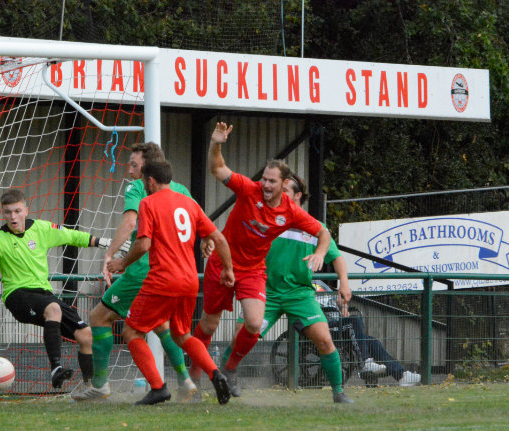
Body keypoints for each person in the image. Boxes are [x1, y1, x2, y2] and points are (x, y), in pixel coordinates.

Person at [189, 123, 332, 398]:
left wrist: (320, 253)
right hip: (222, 263)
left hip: (252, 270)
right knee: (209, 324)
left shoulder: (290, 211)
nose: (265, 184)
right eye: (264, 179)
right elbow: (218, 169)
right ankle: (193, 376)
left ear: (284, 185)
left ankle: (229, 370)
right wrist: (216, 143)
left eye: (272, 181)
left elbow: (323, 232)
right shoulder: (248, 189)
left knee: (254, 324)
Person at [0, 188, 111, 398]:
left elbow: (72, 235)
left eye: (17, 211)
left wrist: (103, 242)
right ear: (3, 214)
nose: (13, 216)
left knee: (86, 337)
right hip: (17, 296)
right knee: (54, 309)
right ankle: (56, 368)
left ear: (26, 210)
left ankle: (90, 387)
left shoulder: (41, 229)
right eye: (8, 212)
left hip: (43, 295)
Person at [106, 160, 235, 405]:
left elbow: (143, 244)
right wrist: (228, 269)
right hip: (189, 281)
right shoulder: (189, 203)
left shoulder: (148, 203)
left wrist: (123, 263)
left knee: (132, 330)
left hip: (162, 280)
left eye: (145, 181)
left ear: (151, 181)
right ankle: (215, 373)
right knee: (181, 334)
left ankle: (158, 388)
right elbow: (217, 237)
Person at [76, 143, 197, 401]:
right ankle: (185, 380)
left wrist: (112, 256)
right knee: (162, 325)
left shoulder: (138, 187)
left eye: (133, 164)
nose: (128, 170)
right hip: (172, 271)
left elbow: (130, 221)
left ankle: (100, 385)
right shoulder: (181, 189)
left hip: (143, 269)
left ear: (147, 169)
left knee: (99, 317)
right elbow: (196, 221)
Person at [219, 173, 354, 402]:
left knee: (324, 340)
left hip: (299, 294)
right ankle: (221, 380)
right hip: (266, 292)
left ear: (298, 195)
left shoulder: (314, 227)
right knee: (240, 337)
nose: (277, 194)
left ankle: (338, 392)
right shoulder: (267, 219)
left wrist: (344, 283)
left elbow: (337, 257)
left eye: (285, 191)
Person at [313, 283, 422, 387]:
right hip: (322, 326)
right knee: (353, 321)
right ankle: (364, 363)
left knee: (372, 342)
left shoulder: (321, 284)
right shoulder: (304, 285)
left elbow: (337, 300)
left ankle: (401, 376)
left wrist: (343, 305)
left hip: (337, 323)